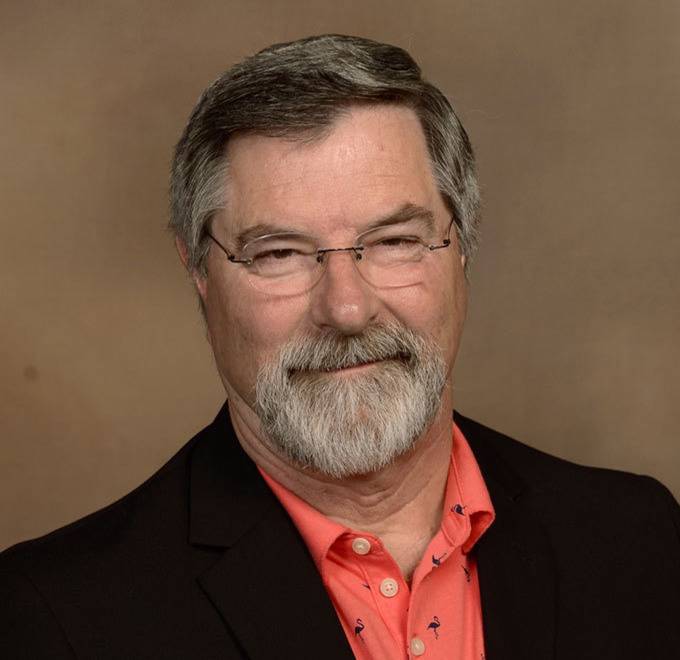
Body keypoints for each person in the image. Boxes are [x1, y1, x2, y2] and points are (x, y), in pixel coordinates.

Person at [1, 34, 678, 660]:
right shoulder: (55, 619)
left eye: (394, 241)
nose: (347, 309)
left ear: (463, 245)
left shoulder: (638, 540)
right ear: (199, 272)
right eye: (280, 253)